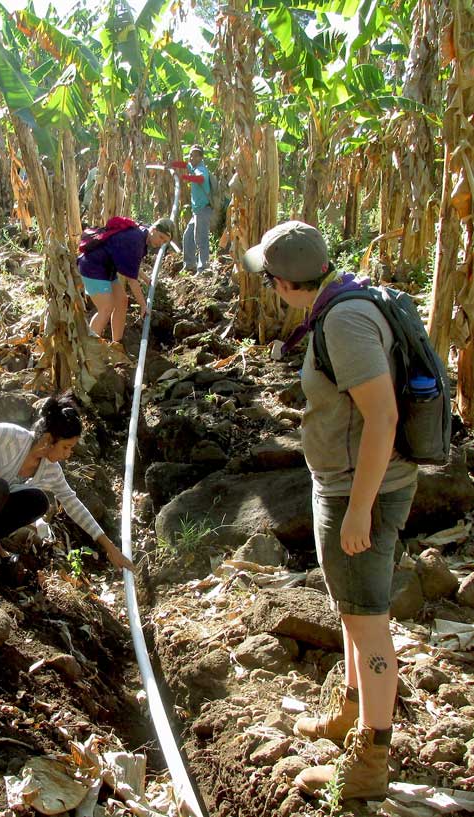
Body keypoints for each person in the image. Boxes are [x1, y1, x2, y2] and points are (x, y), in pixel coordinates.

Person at [243, 221, 418, 802]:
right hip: (342, 483)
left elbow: (383, 418)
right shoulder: (343, 297)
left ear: (283, 284)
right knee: (350, 609)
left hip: (359, 488)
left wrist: (359, 510)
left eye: (269, 280)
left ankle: (369, 762)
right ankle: (349, 714)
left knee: (368, 622)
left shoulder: (343, 322)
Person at [0, 392, 135, 574]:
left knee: (38, 501)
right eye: (66, 447)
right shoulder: (14, 437)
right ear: (49, 439)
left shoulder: (50, 469)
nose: (68, 454)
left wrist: (110, 548)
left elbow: (72, 503)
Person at [78, 217, 174, 352]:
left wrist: (146, 279)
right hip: (93, 267)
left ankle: (117, 345)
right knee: (106, 308)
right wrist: (143, 306)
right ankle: (89, 350)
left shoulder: (143, 236)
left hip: (107, 269)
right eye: (161, 237)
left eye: (164, 241)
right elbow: (131, 280)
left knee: (122, 301)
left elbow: (132, 262)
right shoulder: (136, 239)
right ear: (153, 229)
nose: (161, 243)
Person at [170, 145, 212, 274]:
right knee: (188, 236)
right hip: (197, 211)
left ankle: (203, 268)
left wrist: (185, 178)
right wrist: (171, 164)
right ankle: (189, 265)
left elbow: (201, 178)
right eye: (191, 155)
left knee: (201, 238)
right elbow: (184, 164)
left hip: (203, 210)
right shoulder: (193, 166)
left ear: (200, 157)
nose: (191, 157)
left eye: (195, 155)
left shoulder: (200, 169)